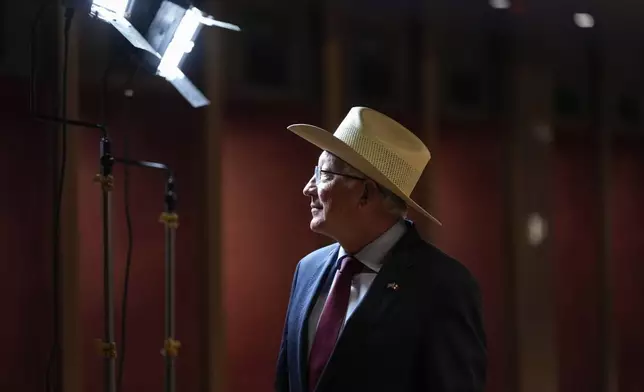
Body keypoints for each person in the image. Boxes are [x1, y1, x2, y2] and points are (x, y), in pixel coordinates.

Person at [275, 107, 487, 392]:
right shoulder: (308, 269)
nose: (308, 187)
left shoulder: (443, 285)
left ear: (366, 193)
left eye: (323, 173)